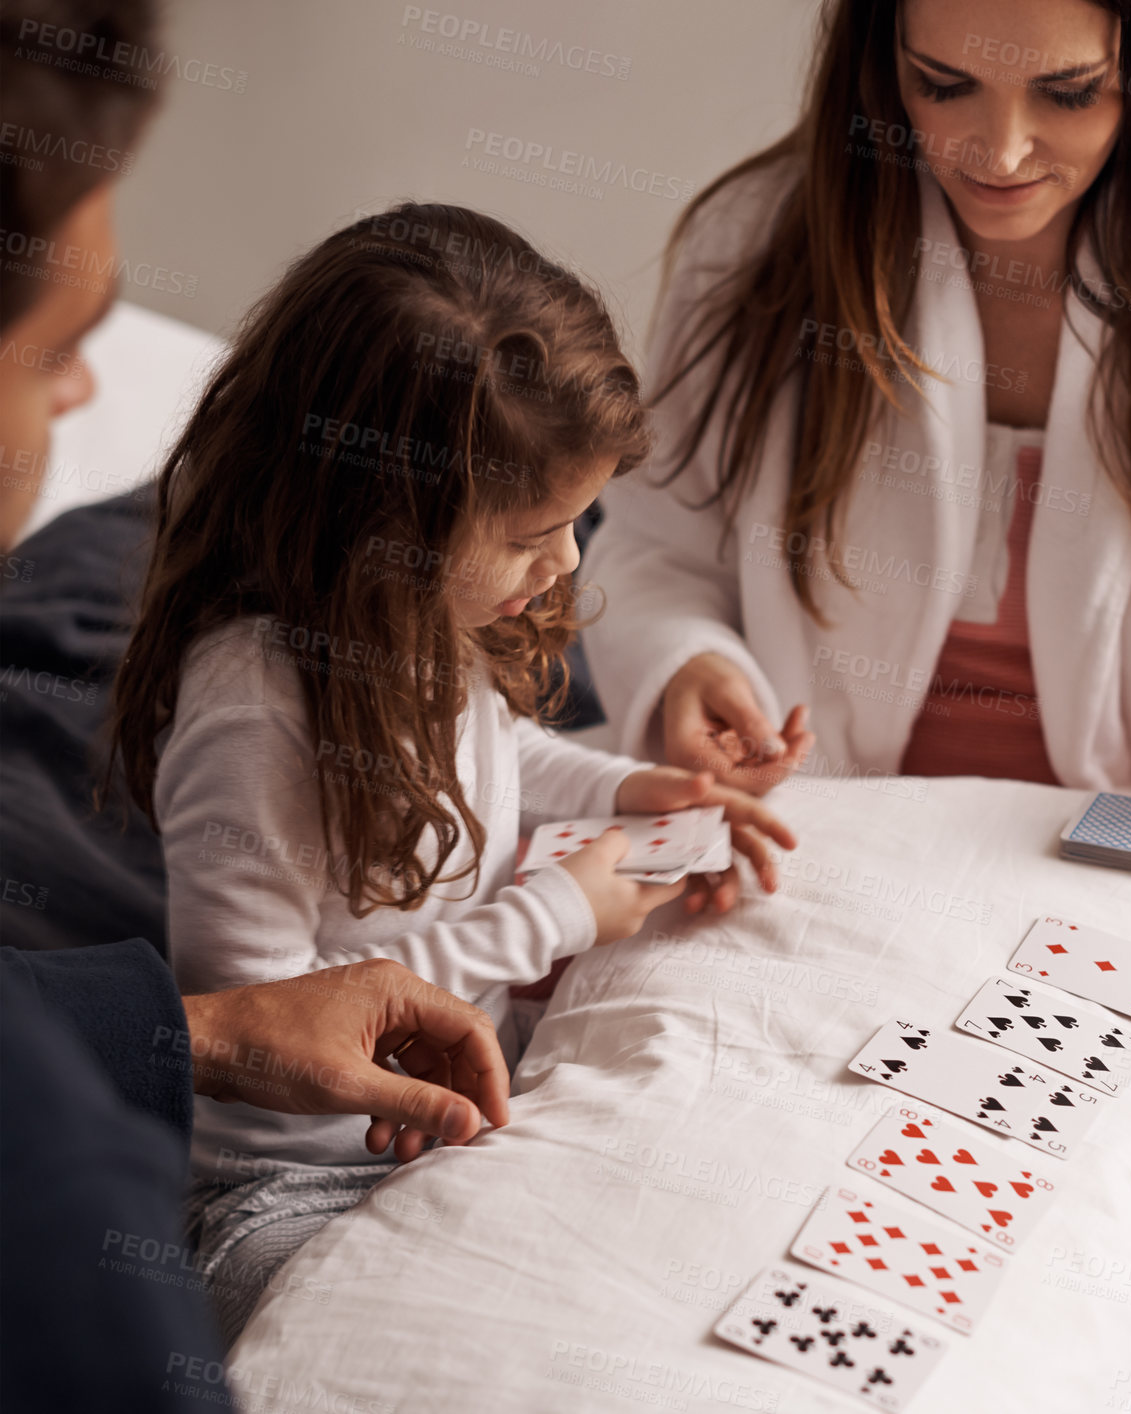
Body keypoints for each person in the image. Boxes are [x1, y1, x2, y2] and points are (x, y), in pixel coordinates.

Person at [580, 0, 1131, 1106]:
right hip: (831, 821)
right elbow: (649, 547)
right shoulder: (760, 245)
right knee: (534, 919)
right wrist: (689, 668)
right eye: (943, 85)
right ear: (881, 66)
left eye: (1067, 95)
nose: (1000, 151)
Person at [102, 200, 796, 1339]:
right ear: (377, 516)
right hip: (272, 1189)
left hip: (458, 1119)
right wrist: (554, 913)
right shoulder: (255, 717)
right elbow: (274, 1025)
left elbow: (487, 749)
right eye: (530, 533)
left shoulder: (417, 610)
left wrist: (626, 787)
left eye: (578, 522)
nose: (564, 561)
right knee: (437, 1333)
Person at [3, 3, 515, 1405]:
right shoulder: (58, 1202)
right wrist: (577, 905)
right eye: (52, 353)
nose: (85, 390)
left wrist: (198, 1027)